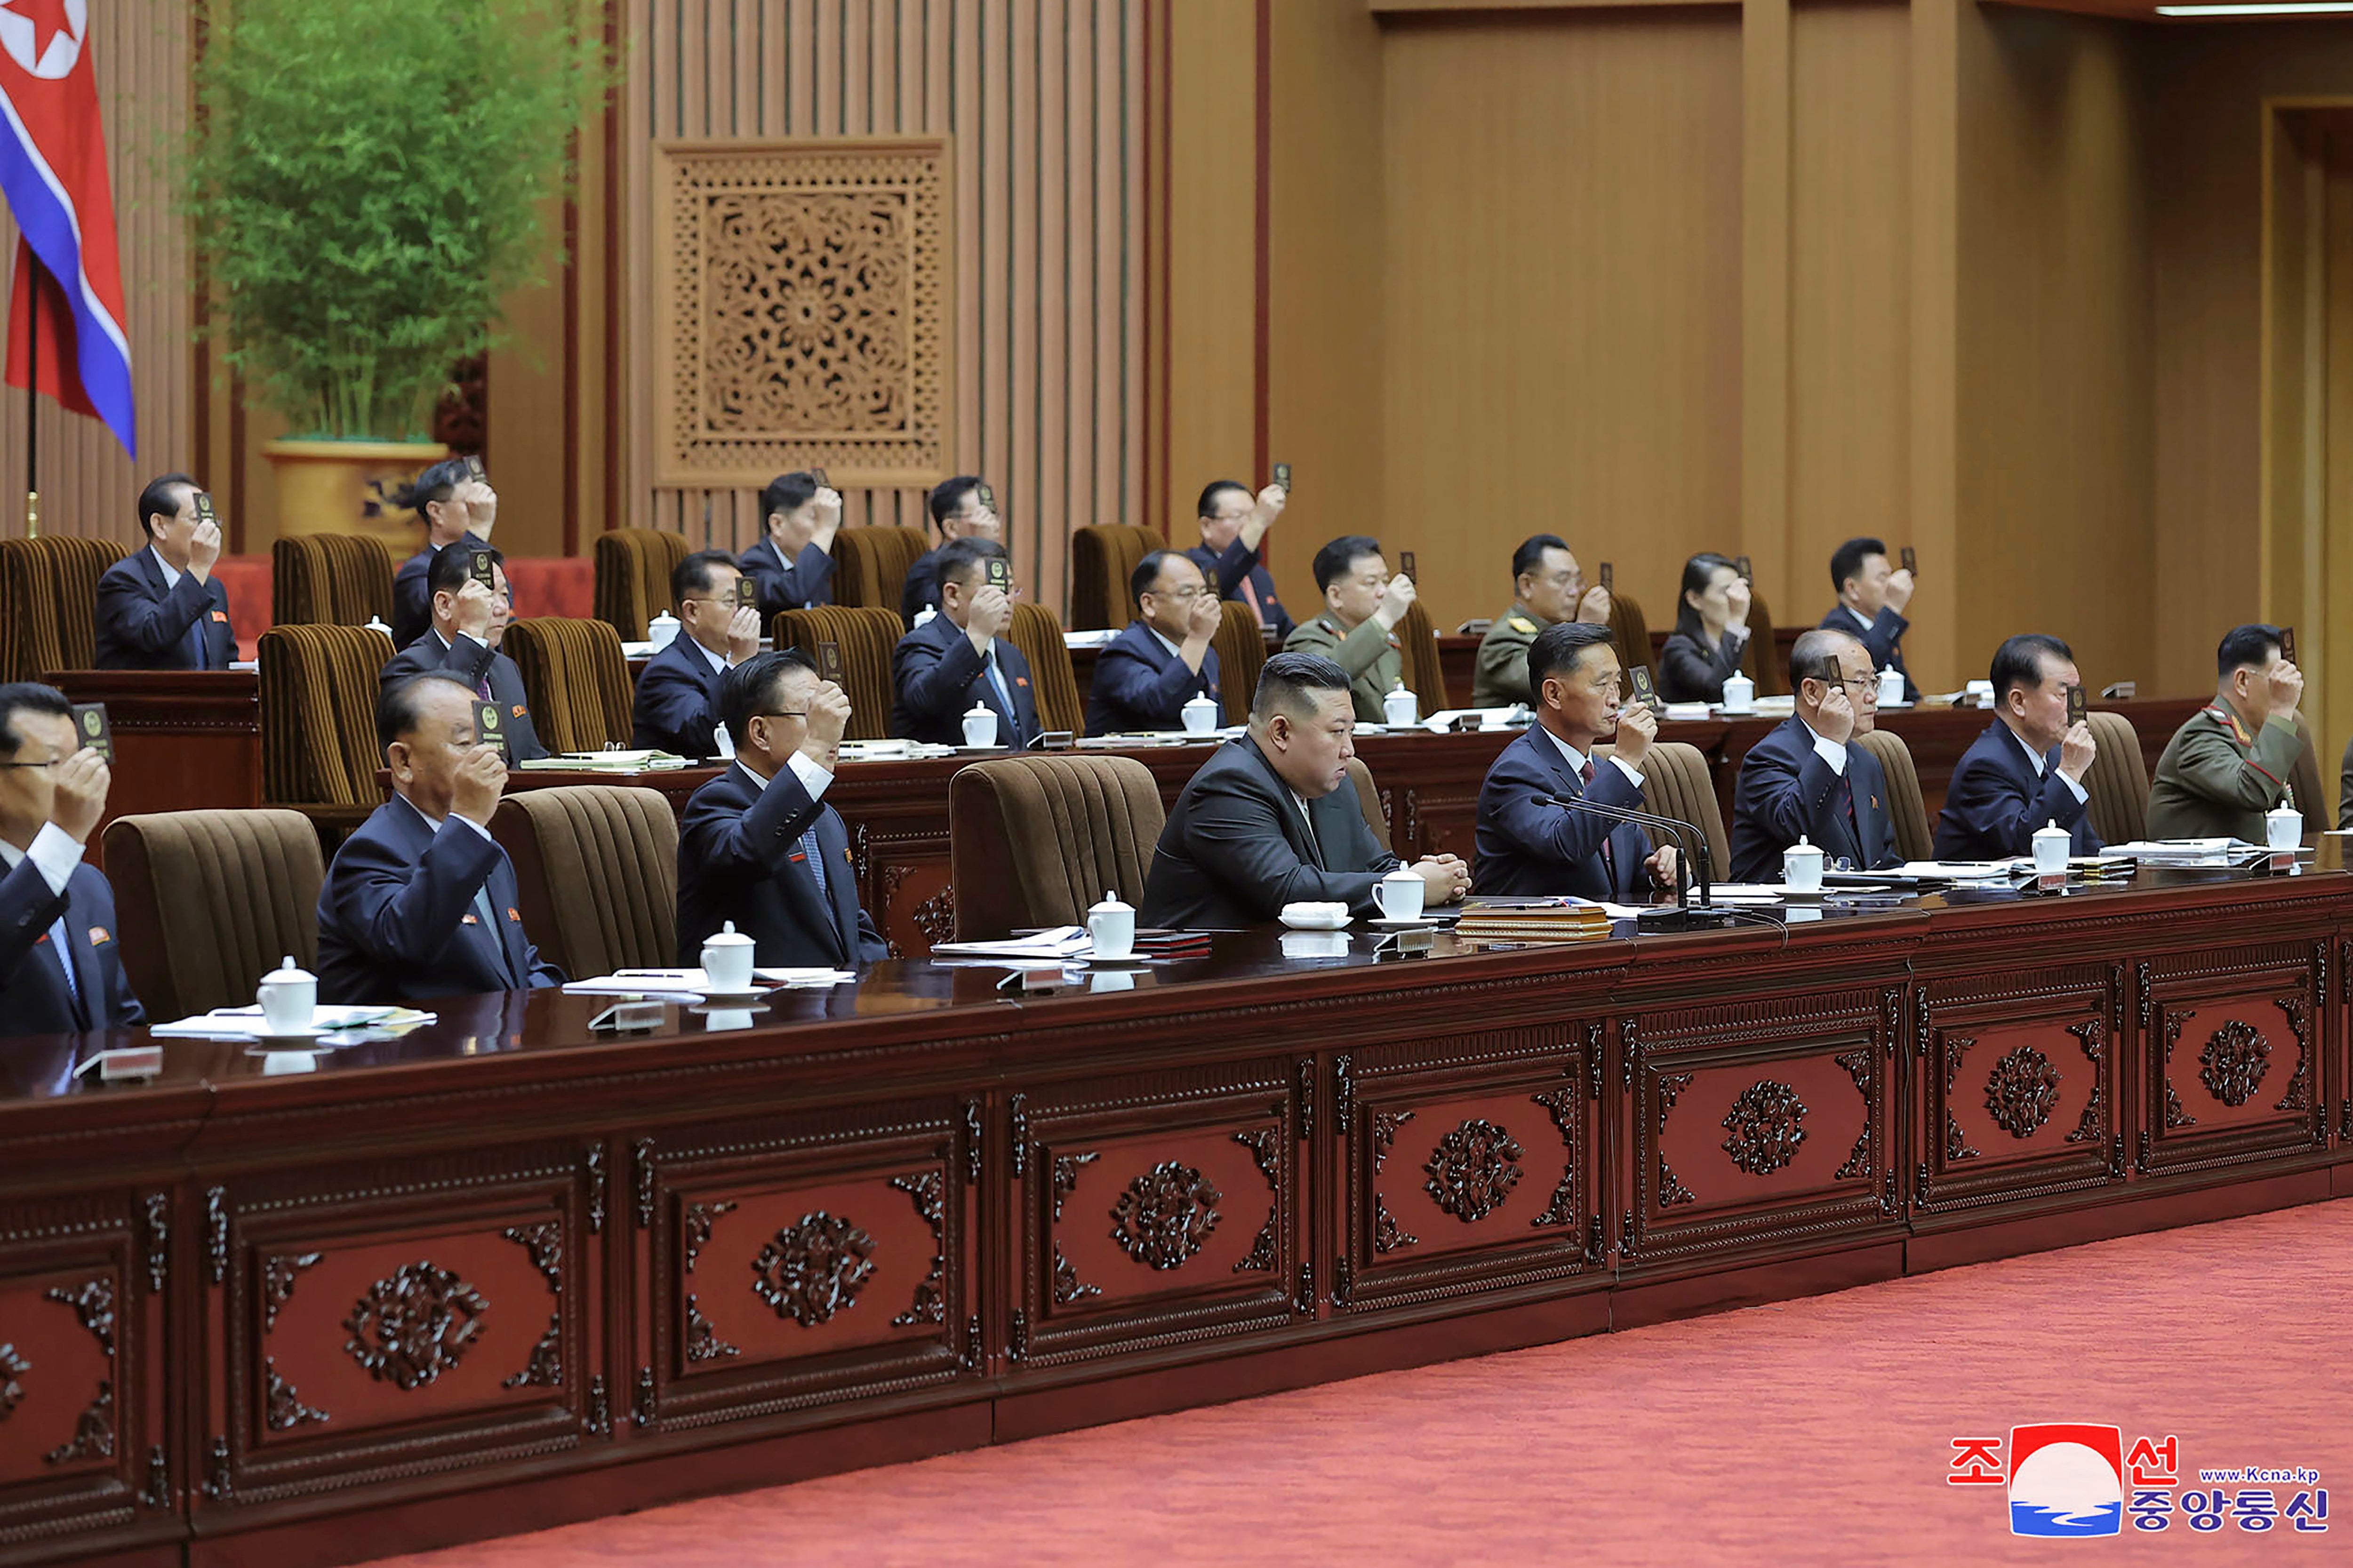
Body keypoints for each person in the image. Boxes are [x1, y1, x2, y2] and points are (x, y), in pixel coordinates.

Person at [1140, 652, 1467, 928]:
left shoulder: (1328, 781)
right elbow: (1289, 892)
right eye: (1337, 732)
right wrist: (1410, 888)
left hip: (1294, 967)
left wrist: (1430, 876)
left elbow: (1374, 866)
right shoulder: (1227, 787)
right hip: (1205, 979)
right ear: (1281, 732)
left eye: (1351, 732)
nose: (1349, 750)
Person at [315, 672, 565, 1004]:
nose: (486, 758)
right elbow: (407, 942)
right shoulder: (370, 851)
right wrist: (468, 822)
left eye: (487, 743)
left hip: (493, 1041)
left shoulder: (486, 850)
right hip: (410, 1049)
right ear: (404, 762)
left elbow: (518, 967)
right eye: (465, 745)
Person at [676, 651, 888, 968]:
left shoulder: (826, 817)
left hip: (835, 1006)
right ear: (760, 732)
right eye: (812, 715)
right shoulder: (716, 803)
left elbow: (851, 928)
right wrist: (814, 747)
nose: (832, 731)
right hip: (757, 1009)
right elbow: (750, 852)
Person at [1474, 622, 1679, 902]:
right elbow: (1565, 845)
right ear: (1554, 694)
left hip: (1606, 936)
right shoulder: (1515, 772)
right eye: (1602, 684)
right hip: (1536, 941)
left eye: (1617, 683)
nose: (1615, 699)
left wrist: (1664, 870)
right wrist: (1627, 760)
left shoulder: (1602, 772)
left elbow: (1629, 872)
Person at [0, 683, 143, 1033]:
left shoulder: (89, 885)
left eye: (78, 761)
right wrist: (63, 836)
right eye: (52, 763)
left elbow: (122, 1021)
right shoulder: (60, 862)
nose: (72, 782)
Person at [1728, 630, 1897, 881]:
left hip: (1857, 913)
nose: (1873, 696)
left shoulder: (1864, 762)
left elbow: (1882, 861)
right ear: (1812, 692)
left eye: (1874, 682)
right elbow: (1795, 826)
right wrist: (1830, 742)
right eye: (1860, 683)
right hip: (1785, 916)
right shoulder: (1768, 758)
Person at [1932, 634, 2100, 860]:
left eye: (2076, 694)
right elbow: (2026, 845)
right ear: (2019, 703)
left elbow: (2085, 849)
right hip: (1983, 896)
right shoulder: (1985, 766)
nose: (2074, 708)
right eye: (2062, 695)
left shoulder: (2054, 756)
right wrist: (2069, 774)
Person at [379, 545, 548, 762]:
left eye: (504, 595)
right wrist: (470, 634)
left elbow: (532, 758)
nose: (501, 609)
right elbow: (429, 755)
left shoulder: (505, 668)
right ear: (444, 605)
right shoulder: (408, 669)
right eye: (485, 596)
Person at [2149, 624, 2308, 842]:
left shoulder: (2255, 735)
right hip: (2197, 876)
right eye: (2278, 681)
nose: (2290, 690)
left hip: (2252, 873)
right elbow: (2253, 792)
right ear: (2243, 682)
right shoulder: (2200, 735)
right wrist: (2281, 710)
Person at [890, 538, 1040, 747]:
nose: (1005, 600)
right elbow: (924, 700)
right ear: (952, 595)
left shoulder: (1011, 654)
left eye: (1008, 590)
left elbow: (1027, 735)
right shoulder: (920, 644)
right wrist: (976, 635)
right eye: (992, 590)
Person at [93, 473, 236, 671]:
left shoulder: (212, 587)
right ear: (160, 526)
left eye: (211, 521)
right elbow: (153, 634)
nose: (209, 529)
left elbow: (228, 663)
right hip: (146, 699)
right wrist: (198, 568)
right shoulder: (123, 580)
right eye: (197, 520)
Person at [632, 550, 763, 758]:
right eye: (730, 602)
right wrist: (738, 663)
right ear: (692, 612)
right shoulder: (666, 672)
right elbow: (705, 732)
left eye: (745, 602)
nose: (743, 612)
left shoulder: (743, 662)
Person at [1085, 551, 1223, 735]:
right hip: (1131, 762)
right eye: (1187, 594)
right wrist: (1197, 638)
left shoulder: (1205, 654)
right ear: (1149, 604)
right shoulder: (1122, 653)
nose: (1200, 604)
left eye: (1203, 593)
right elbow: (1160, 706)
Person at [1283, 535, 1416, 722]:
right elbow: (1328, 679)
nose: (1383, 592)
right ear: (1336, 595)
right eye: (1371, 583)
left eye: (1385, 581)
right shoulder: (1307, 638)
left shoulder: (1387, 641)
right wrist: (1385, 616)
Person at [1471, 534, 1611, 709]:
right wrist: (1582, 632)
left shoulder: (1554, 629)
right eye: (1563, 580)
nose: (1574, 592)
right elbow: (1560, 685)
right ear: (1527, 586)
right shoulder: (1502, 640)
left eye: (1577, 580)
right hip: (1511, 737)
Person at [391, 458, 498, 649]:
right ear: (436, 512)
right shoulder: (417, 571)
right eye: (470, 503)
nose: (480, 510)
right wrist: (478, 532)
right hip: (435, 674)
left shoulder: (491, 563)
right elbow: (441, 616)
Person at [1185, 478, 1293, 640]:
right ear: (1206, 526)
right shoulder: (1191, 567)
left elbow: (1286, 631)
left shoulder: (1259, 575)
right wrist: (1259, 521)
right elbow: (1219, 584)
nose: (1249, 524)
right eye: (1239, 516)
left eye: (1252, 516)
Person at [1819, 536, 1918, 703]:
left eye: (1890, 575)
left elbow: (1909, 693)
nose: (1891, 585)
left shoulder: (1879, 627)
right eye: (1882, 578)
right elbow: (1862, 670)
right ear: (1852, 589)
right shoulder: (1834, 629)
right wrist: (1893, 608)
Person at [738, 471, 844, 617]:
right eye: (815, 518)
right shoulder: (753, 565)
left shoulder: (821, 565)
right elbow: (791, 594)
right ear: (778, 525)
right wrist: (825, 529)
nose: (827, 530)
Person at [902, 475, 1003, 624]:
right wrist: (983, 549)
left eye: (993, 514)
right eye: (983, 516)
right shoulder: (928, 572)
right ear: (951, 528)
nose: (992, 524)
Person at [1657, 553, 1755, 704]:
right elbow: (1716, 689)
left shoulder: (1735, 641)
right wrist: (1735, 621)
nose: (1736, 599)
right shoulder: (1678, 648)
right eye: (1725, 592)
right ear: (1694, 599)